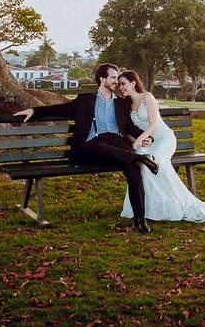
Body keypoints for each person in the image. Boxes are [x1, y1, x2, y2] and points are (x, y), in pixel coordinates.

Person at [14, 63, 159, 233]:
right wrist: (34, 110)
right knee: (101, 145)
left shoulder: (121, 103)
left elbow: (127, 127)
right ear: (102, 79)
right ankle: (138, 157)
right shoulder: (85, 100)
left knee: (133, 168)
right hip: (89, 147)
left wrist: (146, 136)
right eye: (113, 77)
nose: (116, 82)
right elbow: (61, 109)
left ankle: (139, 218)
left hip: (115, 144)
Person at [116, 70, 205, 224]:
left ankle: (174, 204)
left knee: (155, 160)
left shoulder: (147, 97)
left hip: (163, 139)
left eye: (123, 83)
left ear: (133, 83)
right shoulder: (127, 104)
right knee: (141, 158)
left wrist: (141, 138)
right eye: (119, 84)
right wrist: (137, 141)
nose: (121, 87)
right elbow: (127, 129)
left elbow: (152, 124)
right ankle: (148, 206)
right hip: (146, 140)